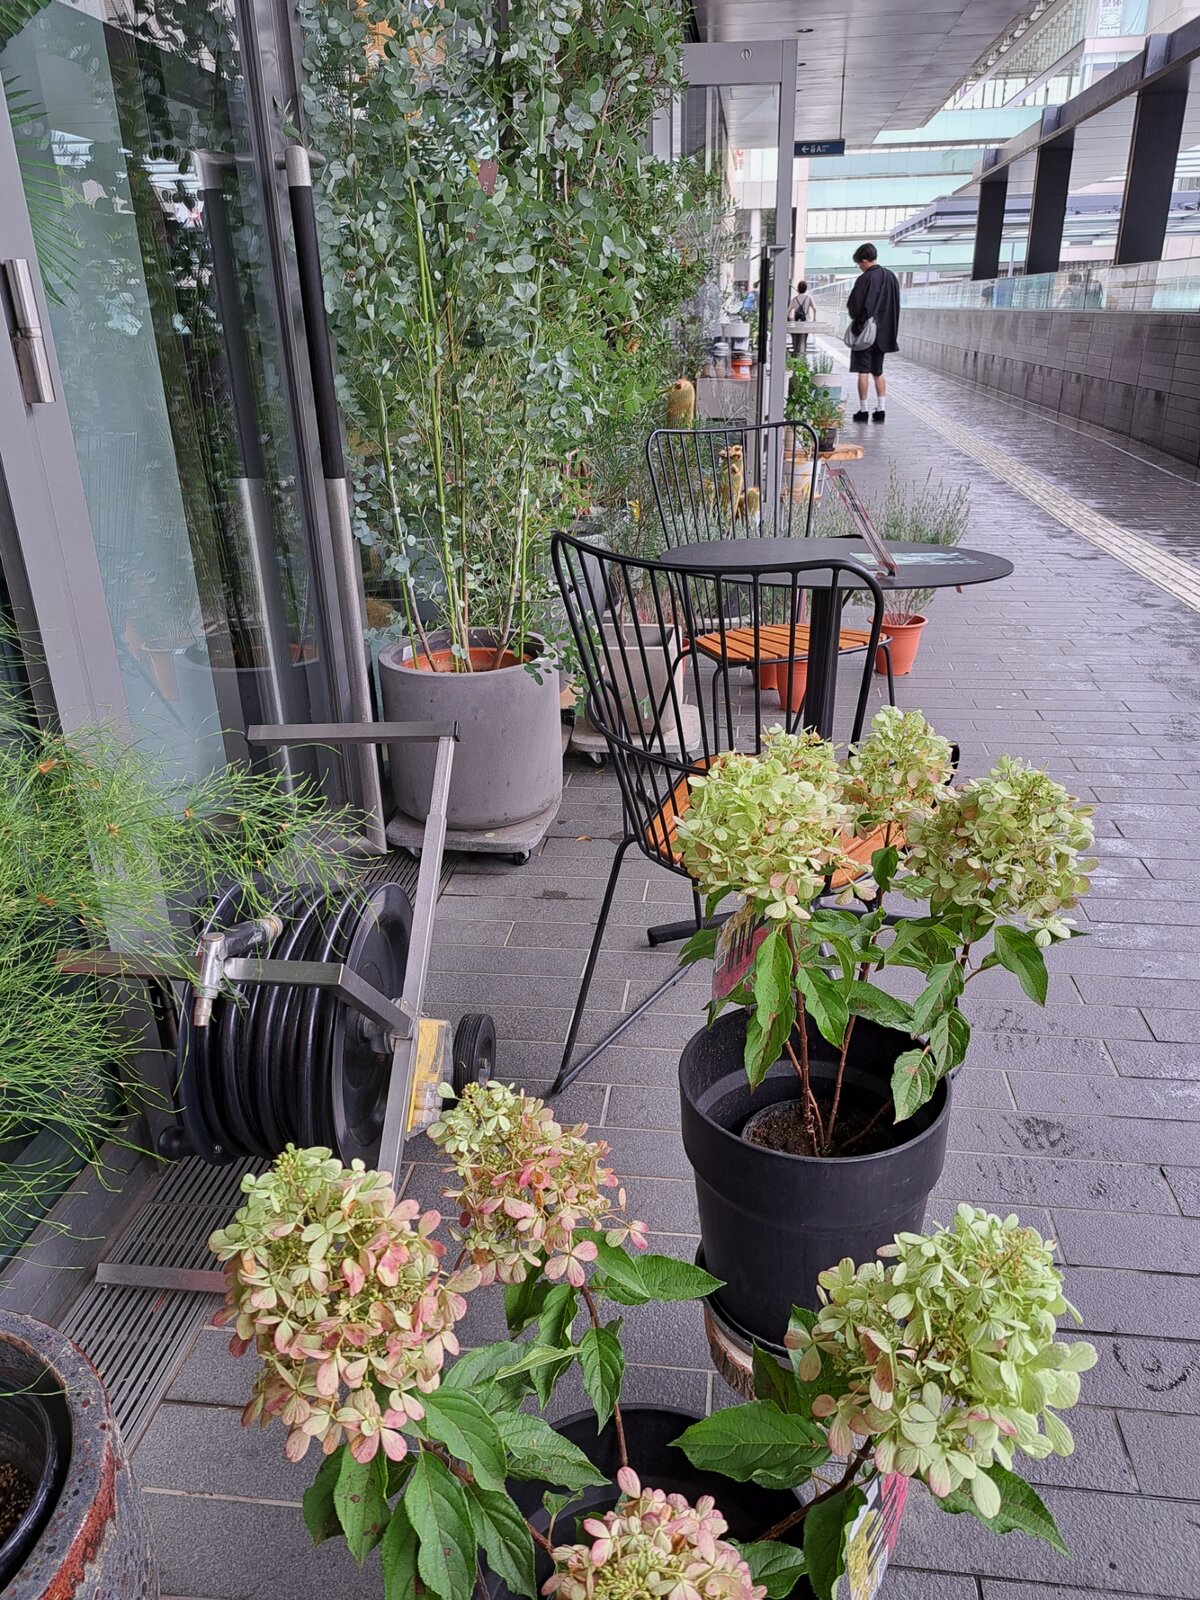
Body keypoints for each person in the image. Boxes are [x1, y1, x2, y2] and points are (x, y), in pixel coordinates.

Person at [846, 242, 900, 423]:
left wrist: (858, 324)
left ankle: (863, 410)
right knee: (878, 371)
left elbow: (855, 306)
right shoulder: (891, 277)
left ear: (864, 261)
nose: (860, 267)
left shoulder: (865, 279)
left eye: (859, 264)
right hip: (884, 333)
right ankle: (881, 409)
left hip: (866, 333)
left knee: (863, 371)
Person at [788, 279, 816, 356]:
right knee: (804, 340)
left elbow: (788, 311)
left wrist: (791, 319)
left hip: (796, 323)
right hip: (806, 322)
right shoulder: (809, 298)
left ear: (798, 288)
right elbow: (814, 308)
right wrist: (814, 318)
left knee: (795, 340)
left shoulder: (794, 299)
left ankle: (795, 354)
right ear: (806, 288)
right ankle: (803, 355)